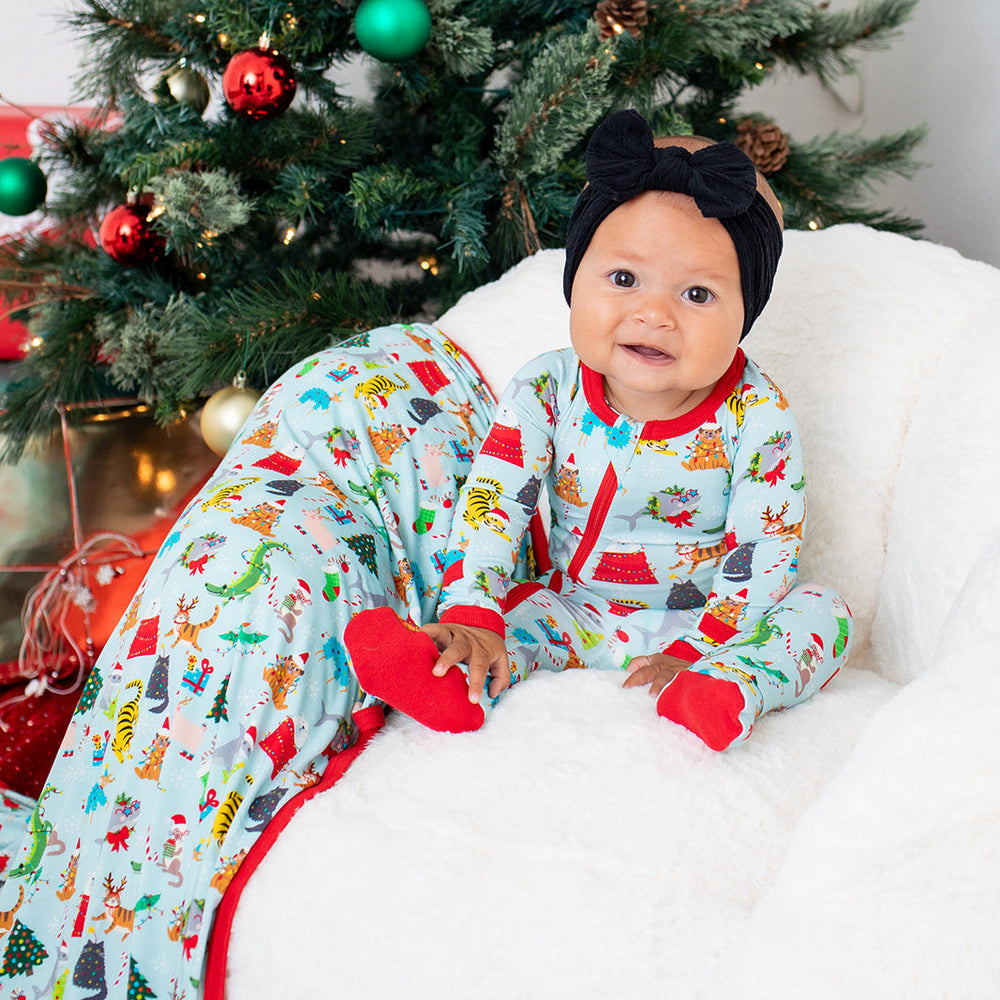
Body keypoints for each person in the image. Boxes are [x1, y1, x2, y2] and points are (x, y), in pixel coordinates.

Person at [346, 109, 853, 751]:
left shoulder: (757, 415)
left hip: (713, 624)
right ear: (575, 285)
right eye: (623, 279)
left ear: (745, 312)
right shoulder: (546, 390)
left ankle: (730, 690)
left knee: (822, 615)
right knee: (513, 622)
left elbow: (764, 549)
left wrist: (703, 648)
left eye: (697, 294)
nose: (653, 314)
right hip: (575, 609)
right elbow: (491, 504)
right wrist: (473, 608)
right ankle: (453, 675)